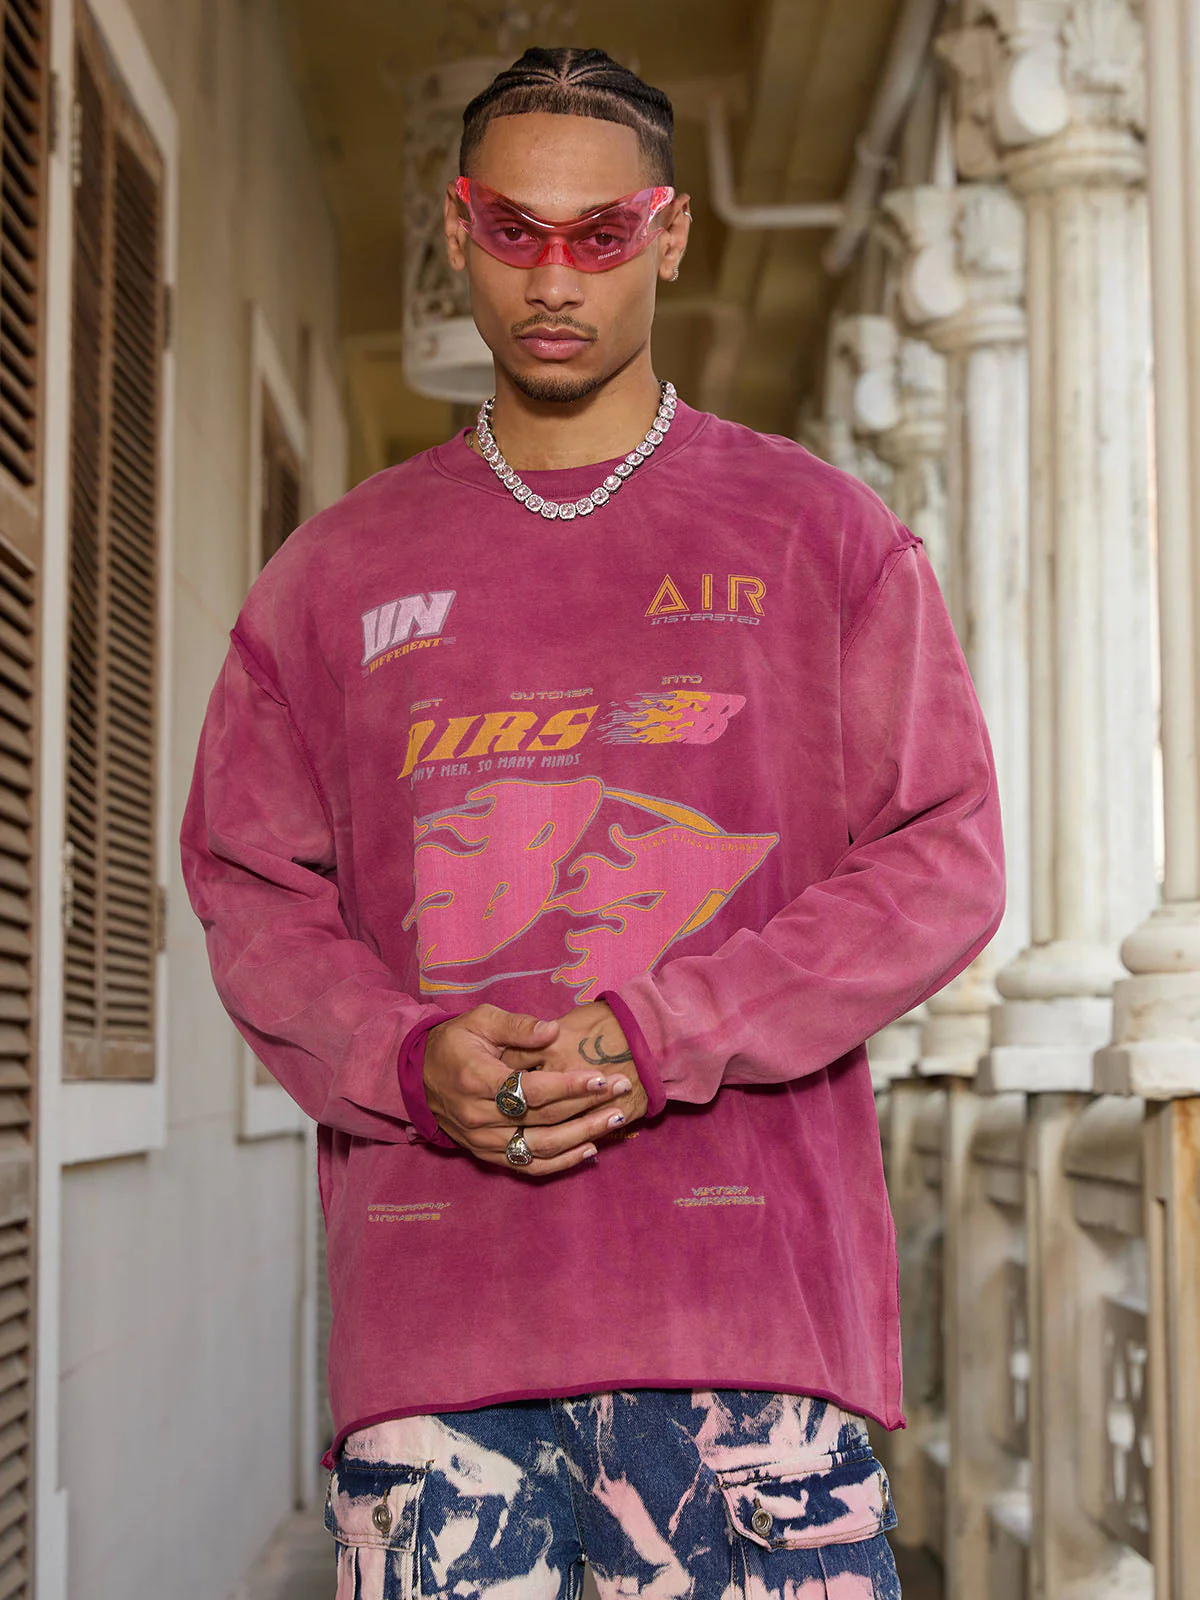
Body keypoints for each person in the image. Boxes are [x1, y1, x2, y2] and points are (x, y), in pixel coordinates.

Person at [180, 45, 1004, 1600]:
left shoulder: (820, 537)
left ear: (669, 235)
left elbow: (945, 857)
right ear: (458, 227)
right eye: (515, 230)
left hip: (748, 1330)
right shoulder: (333, 575)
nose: (554, 279)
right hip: (440, 1337)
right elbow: (247, 886)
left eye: (601, 234)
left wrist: (669, 1030)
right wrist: (403, 1056)